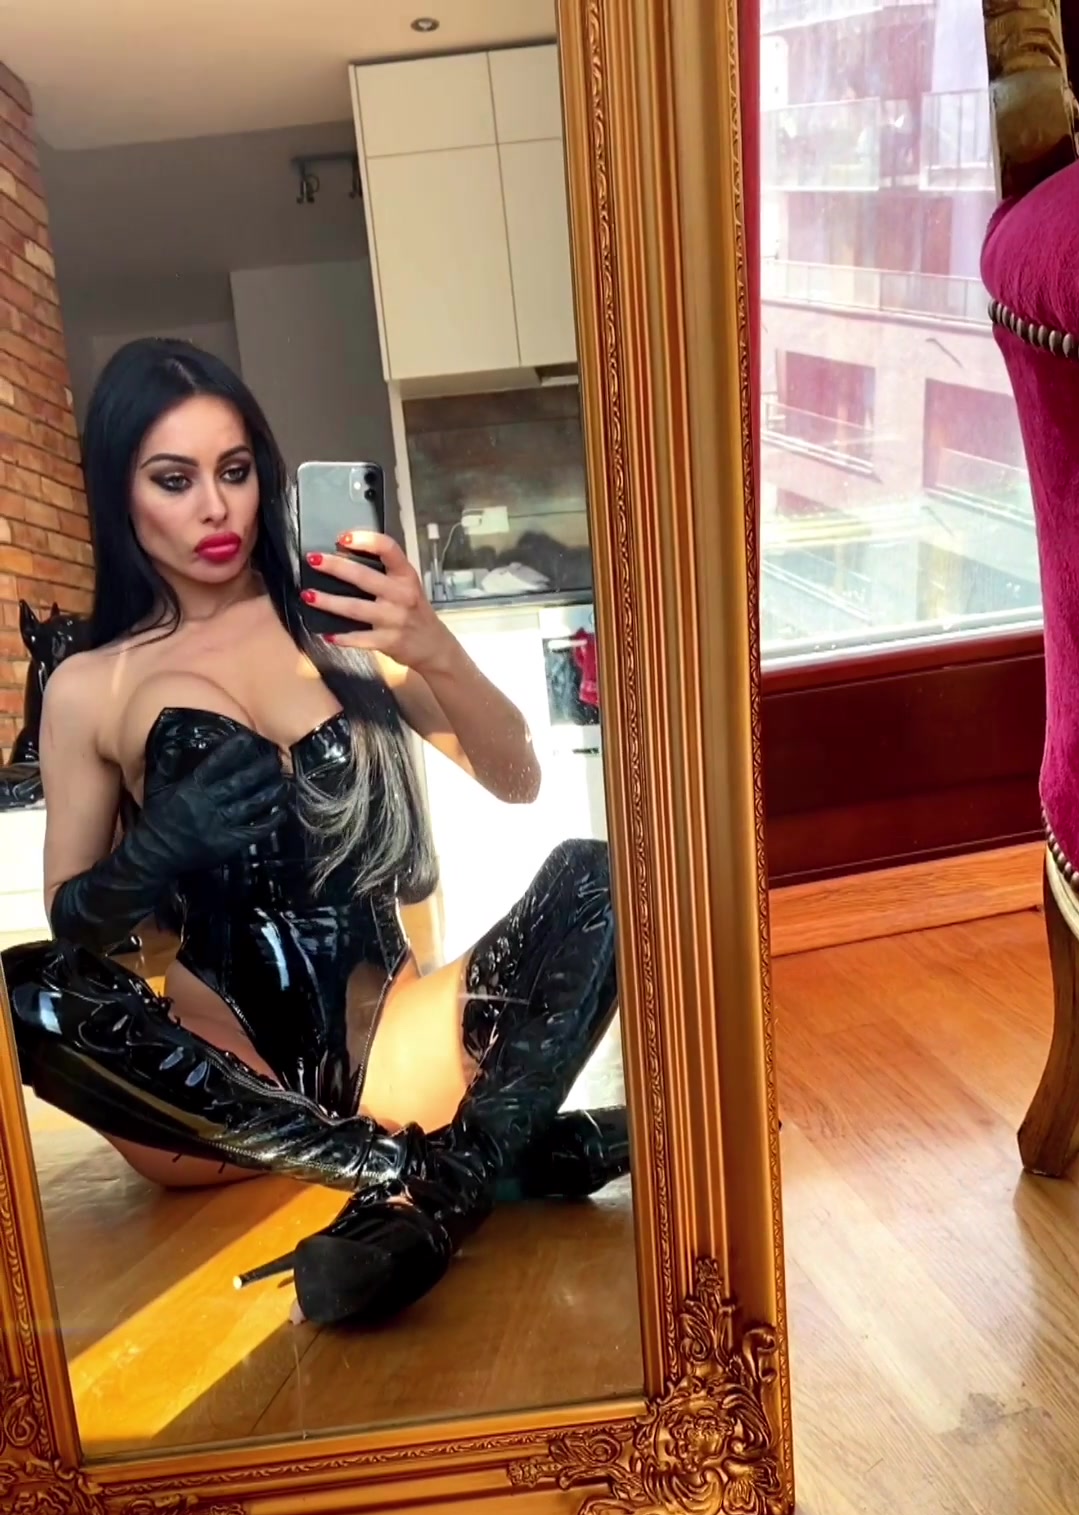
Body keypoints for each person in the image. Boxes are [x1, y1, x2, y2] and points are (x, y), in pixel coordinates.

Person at [2, 339, 627, 1328]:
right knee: (25, 990)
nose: (216, 508)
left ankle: (439, 1185)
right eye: (175, 479)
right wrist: (158, 848)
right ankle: (461, 1160)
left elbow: (519, 780)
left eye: (234, 471)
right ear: (121, 491)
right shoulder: (90, 684)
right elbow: (73, 926)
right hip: (223, 1090)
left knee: (601, 875)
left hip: (395, 1044)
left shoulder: (343, 621)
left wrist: (431, 645)